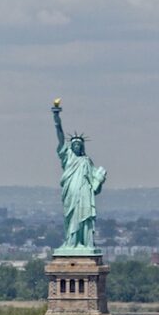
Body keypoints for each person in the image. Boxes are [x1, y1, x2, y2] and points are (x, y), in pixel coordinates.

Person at [51, 99, 106, 251]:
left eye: (78, 145)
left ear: (82, 147)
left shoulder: (87, 161)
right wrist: (56, 119)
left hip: (84, 192)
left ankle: (84, 243)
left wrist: (100, 178)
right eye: (73, 144)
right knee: (72, 217)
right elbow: (60, 137)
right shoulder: (67, 156)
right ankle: (71, 242)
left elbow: (97, 178)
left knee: (84, 217)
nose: (76, 146)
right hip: (71, 192)